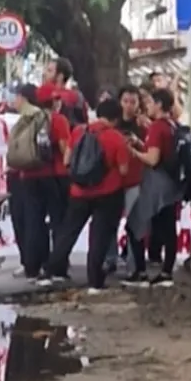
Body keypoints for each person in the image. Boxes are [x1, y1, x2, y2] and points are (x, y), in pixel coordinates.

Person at [46, 98, 129, 293]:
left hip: (79, 192)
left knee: (68, 232)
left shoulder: (79, 132)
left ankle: (53, 270)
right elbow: (124, 170)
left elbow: (67, 160)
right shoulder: (116, 138)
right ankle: (95, 280)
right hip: (108, 194)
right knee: (99, 237)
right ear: (116, 119)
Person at [11, 83, 70, 284]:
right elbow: (62, 150)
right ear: (53, 102)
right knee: (58, 221)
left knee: (33, 222)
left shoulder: (26, 118)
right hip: (50, 174)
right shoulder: (56, 120)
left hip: (27, 175)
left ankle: (33, 267)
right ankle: (57, 267)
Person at [127, 88, 182, 287]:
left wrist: (133, 151)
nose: (147, 107)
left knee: (135, 224)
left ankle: (140, 271)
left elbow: (153, 158)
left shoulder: (157, 127)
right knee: (167, 229)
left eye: (150, 102)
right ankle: (166, 271)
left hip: (156, 185)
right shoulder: (172, 125)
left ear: (159, 104)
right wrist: (141, 144)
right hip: (171, 184)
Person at [109, 85, 146, 280]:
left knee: (134, 223)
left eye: (133, 102)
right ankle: (110, 260)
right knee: (109, 223)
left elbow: (152, 150)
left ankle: (133, 264)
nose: (129, 106)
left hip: (135, 180)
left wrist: (138, 141)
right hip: (113, 180)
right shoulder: (112, 123)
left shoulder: (144, 125)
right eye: (125, 101)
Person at [40, 57, 88, 126]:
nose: (44, 73)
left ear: (60, 76)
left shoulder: (52, 96)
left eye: (49, 71)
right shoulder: (78, 97)